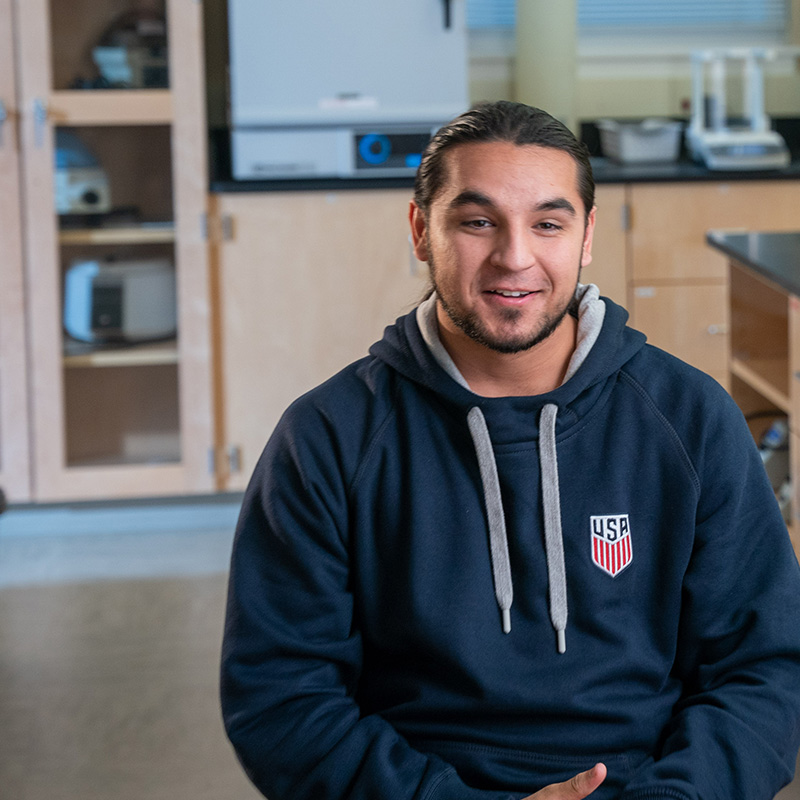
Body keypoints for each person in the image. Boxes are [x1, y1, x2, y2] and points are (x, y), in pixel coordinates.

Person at [220, 101, 800, 800]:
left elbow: (766, 667)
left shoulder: (691, 419)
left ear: (587, 236)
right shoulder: (326, 438)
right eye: (476, 222)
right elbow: (282, 696)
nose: (514, 257)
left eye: (547, 224)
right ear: (420, 230)